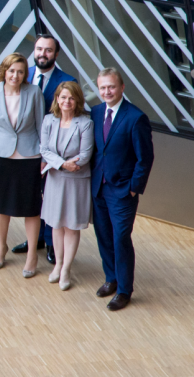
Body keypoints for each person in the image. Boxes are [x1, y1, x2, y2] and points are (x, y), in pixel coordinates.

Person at [90, 68, 153, 311]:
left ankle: (125, 290)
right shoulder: (95, 112)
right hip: (99, 188)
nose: (107, 91)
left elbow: (144, 158)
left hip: (122, 192)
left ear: (122, 87)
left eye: (111, 87)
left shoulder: (136, 118)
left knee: (120, 238)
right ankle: (111, 279)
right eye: (103, 87)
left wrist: (133, 189)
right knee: (104, 236)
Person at [13, 34, 77, 263]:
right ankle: (35, 239)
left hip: (54, 152)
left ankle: (51, 242)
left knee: (50, 197)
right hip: (25, 149)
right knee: (32, 196)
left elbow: (70, 120)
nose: (43, 54)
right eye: (39, 49)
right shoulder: (23, 74)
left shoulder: (68, 80)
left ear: (56, 54)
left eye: (48, 50)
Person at [0, 53, 44, 277]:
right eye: (11, 70)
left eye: (20, 71)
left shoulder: (34, 92)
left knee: (31, 208)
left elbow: (41, 127)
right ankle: (1, 247)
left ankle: (32, 255)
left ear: (26, 74)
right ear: (4, 71)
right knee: (2, 206)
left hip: (30, 157)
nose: (15, 75)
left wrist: (44, 157)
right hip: (2, 156)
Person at [39, 81, 93, 292]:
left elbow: (86, 154)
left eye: (71, 98)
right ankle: (58, 264)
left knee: (71, 226)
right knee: (55, 224)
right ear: (57, 99)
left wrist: (68, 164)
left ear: (77, 100)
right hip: (55, 178)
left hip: (76, 180)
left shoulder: (85, 123)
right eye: (63, 97)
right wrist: (62, 163)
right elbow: (44, 149)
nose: (66, 102)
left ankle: (66, 269)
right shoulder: (48, 120)